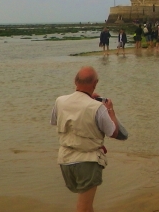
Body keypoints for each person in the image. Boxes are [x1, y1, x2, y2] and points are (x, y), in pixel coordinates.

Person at [50, 67, 121, 212]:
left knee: (86, 205)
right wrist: (110, 110)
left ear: (75, 81)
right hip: (87, 160)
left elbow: (55, 121)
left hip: (65, 159)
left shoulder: (60, 101)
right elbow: (114, 132)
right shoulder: (97, 107)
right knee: (84, 207)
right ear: (95, 83)